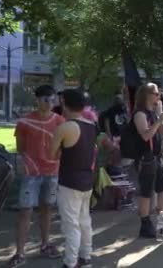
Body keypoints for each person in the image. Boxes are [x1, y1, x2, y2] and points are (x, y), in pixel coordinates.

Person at [8, 85, 65, 268]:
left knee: (47, 208)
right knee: (25, 211)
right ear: (37, 100)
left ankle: (45, 244)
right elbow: (20, 147)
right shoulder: (25, 122)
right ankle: (20, 252)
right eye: (44, 100)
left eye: (51, 99)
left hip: (52, 172)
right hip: (31, 173)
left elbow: (64, 147)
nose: (49, 103)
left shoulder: (60, 121)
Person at [49, 89, 97, 268]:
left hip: (69, 181)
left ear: (64, 103)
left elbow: (52, 155)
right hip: (87, 179)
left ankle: (70, 262)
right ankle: (85, 257)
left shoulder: (64, 127)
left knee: (71, 225)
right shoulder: (92, 125)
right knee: (85, 221)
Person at [132, 83, 163, 238]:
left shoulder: (153, 112)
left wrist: (162, 117)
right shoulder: (140, 114)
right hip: (145, 158)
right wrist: (158, 119)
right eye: (155, 93)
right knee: (147, 192)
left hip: (157, 156)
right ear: (146, 95)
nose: (158, 96)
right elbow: (146, 135)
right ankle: (145, 224)